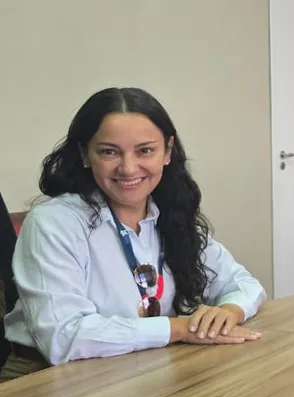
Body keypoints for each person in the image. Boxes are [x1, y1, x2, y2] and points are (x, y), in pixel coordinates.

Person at [1, 88, 267, 381]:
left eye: (145, 150)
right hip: (45, 378)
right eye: (109, 151)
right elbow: (63, 338)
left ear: (167, 152)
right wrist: (183, 328)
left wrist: (229, 311)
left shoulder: (169, 213)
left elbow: (243, 283)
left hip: (142, 367)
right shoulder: (54, 222)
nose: (128, 168)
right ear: (84, 154)